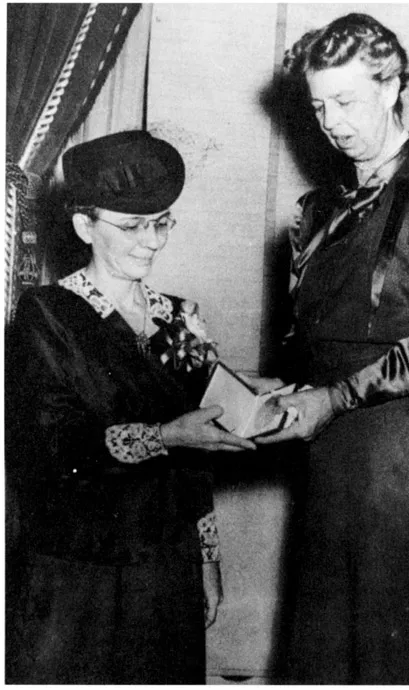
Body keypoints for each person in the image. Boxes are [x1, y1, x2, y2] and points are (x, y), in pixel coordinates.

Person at [256, 13, 409, 684]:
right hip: (333, 470)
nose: (331, 122)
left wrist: (336, 396)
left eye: (346, 101)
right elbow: (305, 346)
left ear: (392, 86)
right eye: (319, 107)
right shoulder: (314, 212)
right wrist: (268, 393)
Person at [6, 130, 256, 684]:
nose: (153, 242)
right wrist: (167, 436)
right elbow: (57, 448)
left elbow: (199, 459)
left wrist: (207, 558)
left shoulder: (181, 316)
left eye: (162, 221)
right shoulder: (46, 315)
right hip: (79, 569)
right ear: (83, 225)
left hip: (166, 566)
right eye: (132, 226)